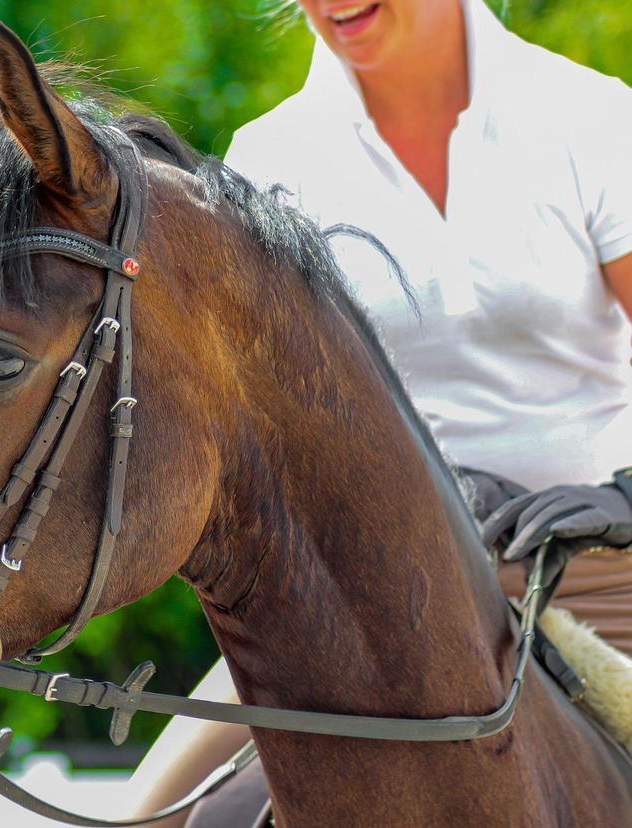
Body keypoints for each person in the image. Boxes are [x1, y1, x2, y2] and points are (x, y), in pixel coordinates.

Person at [125, 0, 632, 822]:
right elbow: (261, 435)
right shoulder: (268, 158)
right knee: (151, 815)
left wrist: (625, 498)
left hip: (601, 581)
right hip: (369, 607)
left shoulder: (590, 119)